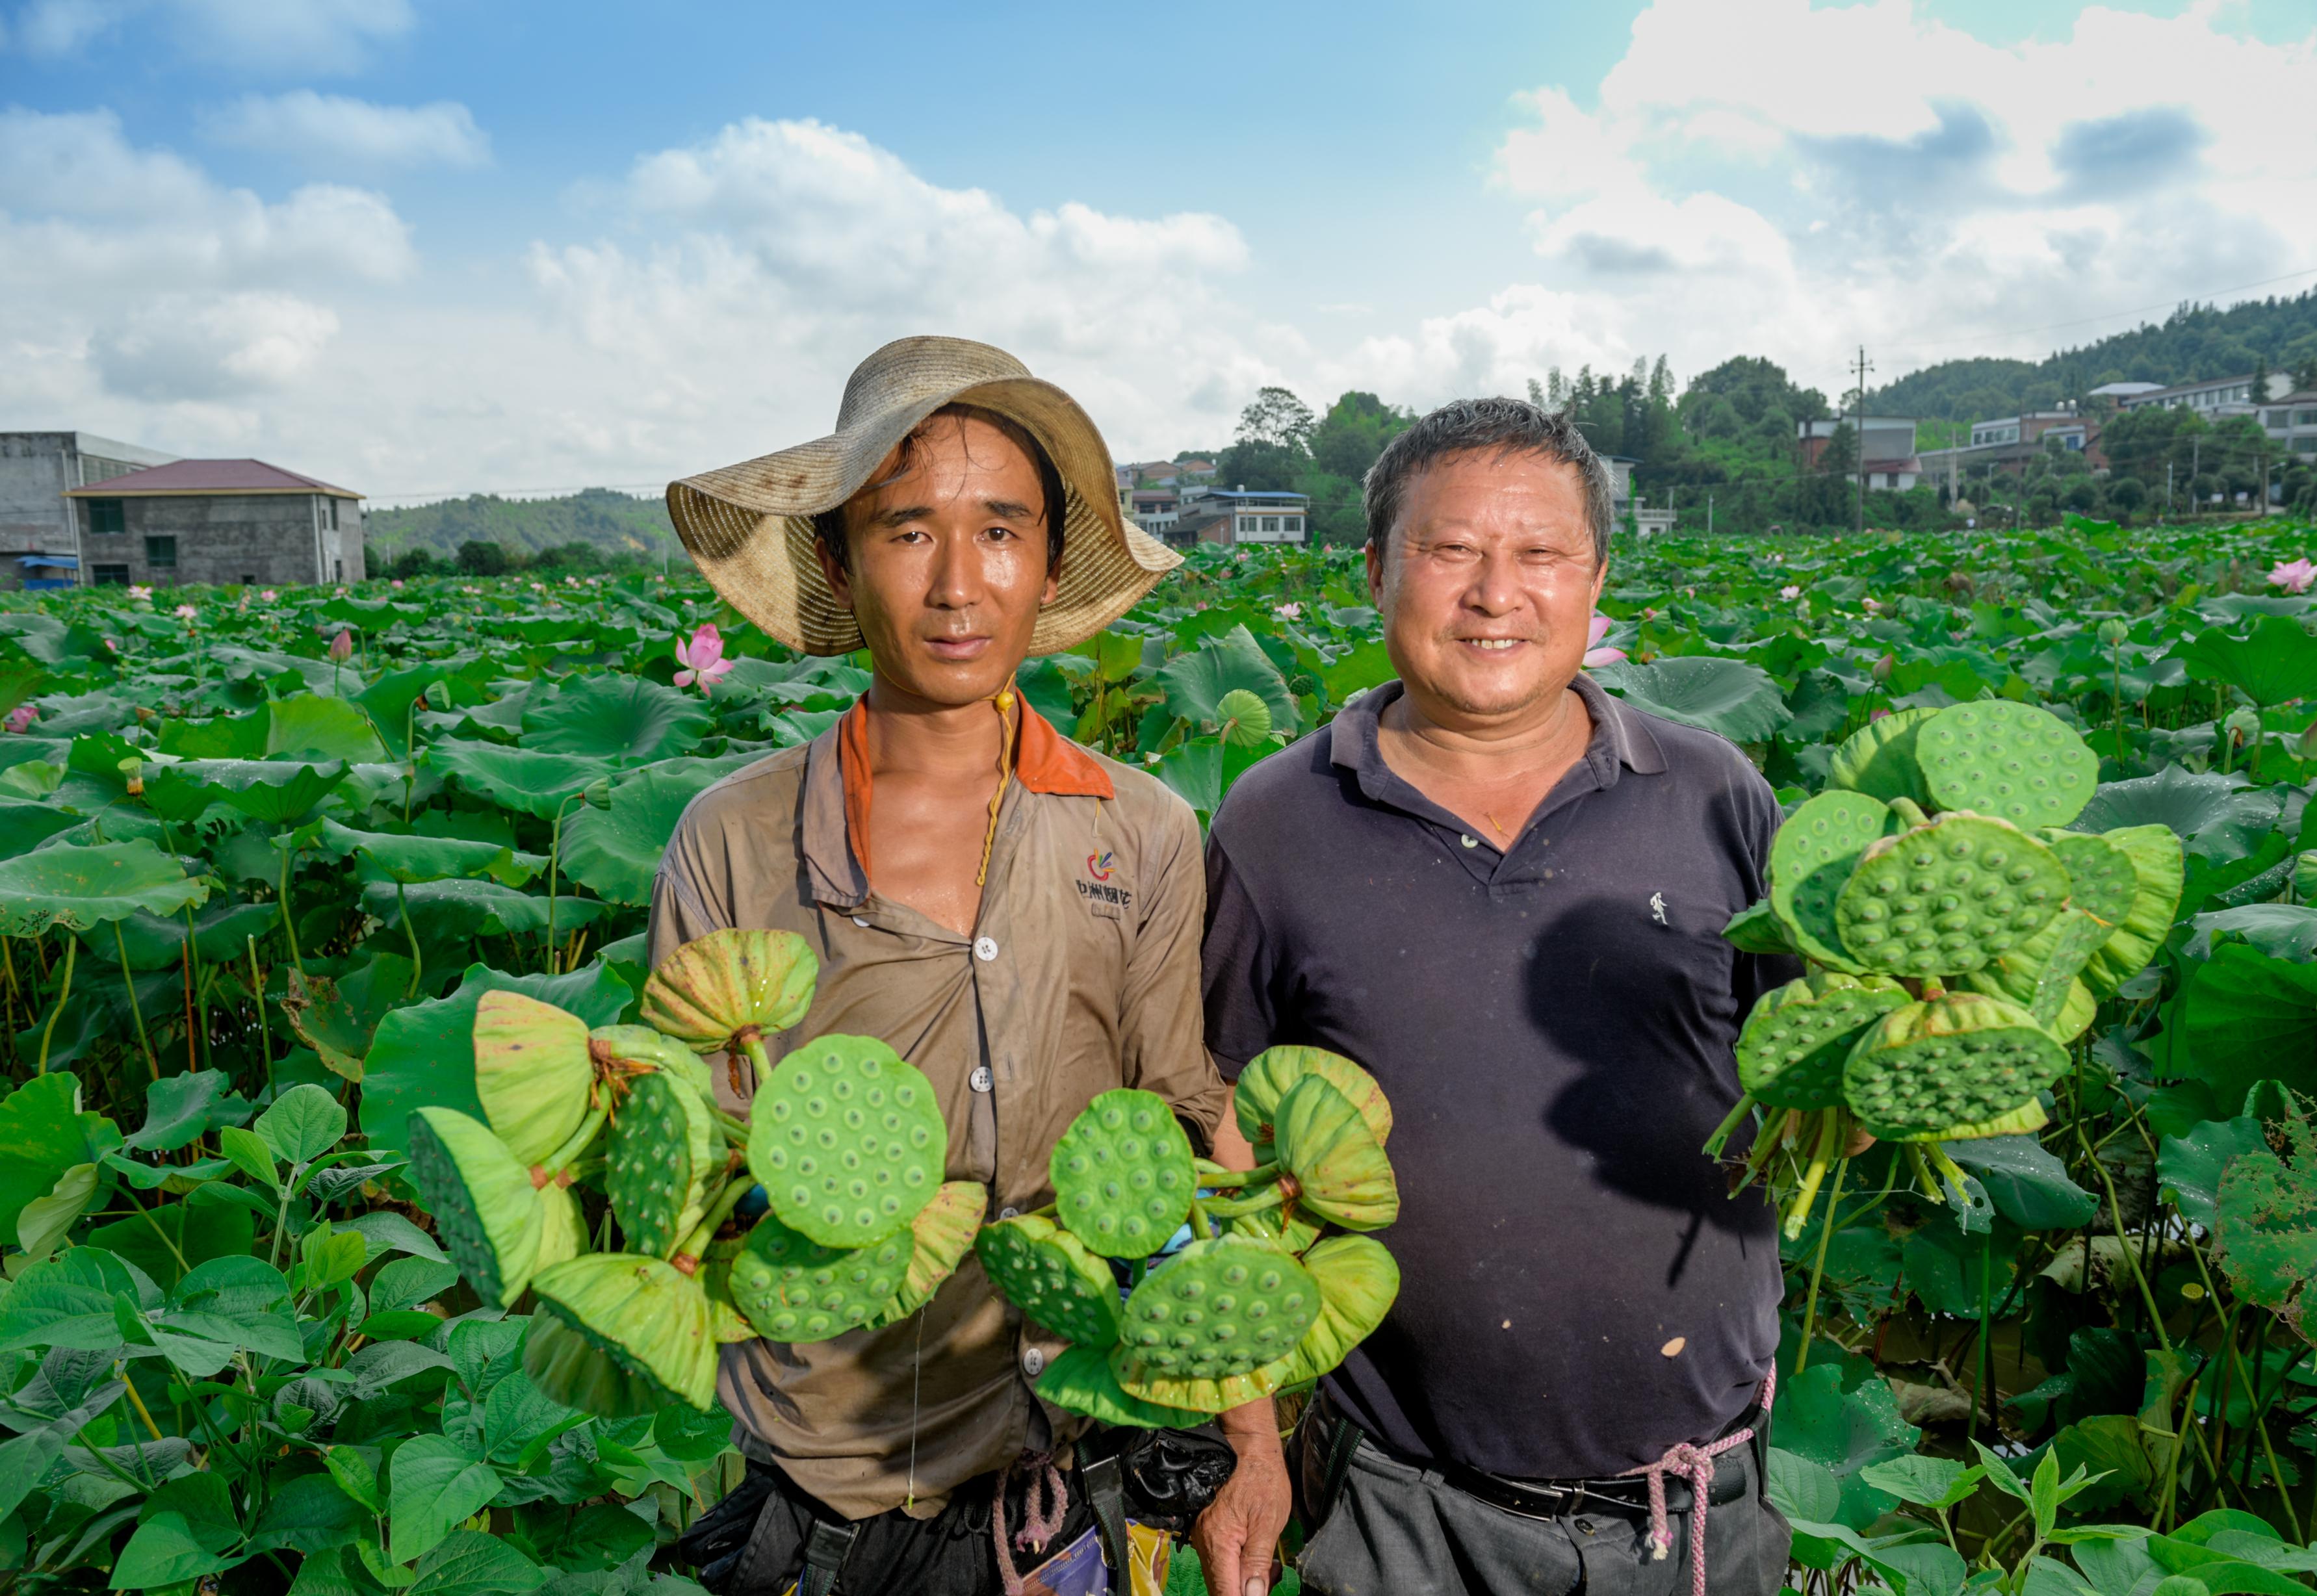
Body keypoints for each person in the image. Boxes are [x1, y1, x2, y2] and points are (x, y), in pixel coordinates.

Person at [650, 337, 1280, 1595]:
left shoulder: (1142, 828)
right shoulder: (730, 835)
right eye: (905, 530)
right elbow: (690, 1168)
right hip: (821, 1482)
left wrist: (1251, 1440)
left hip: (1072, 1478)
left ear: (1048, 565)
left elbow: (1186, 1121)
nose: (957, 584)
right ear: (835, 556)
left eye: (999, 530)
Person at [1199, 398, 1804, 1595]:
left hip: (1692, 1507)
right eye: (1451, 551)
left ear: (1596, 579)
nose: (1495, 594)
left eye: (1539, 554)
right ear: (1376, 570)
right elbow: (1220, 1142)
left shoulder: (1715, 794)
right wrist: (1253, 1447)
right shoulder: (1273, 823)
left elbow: (1807, 1063)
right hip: (1400, 1504)